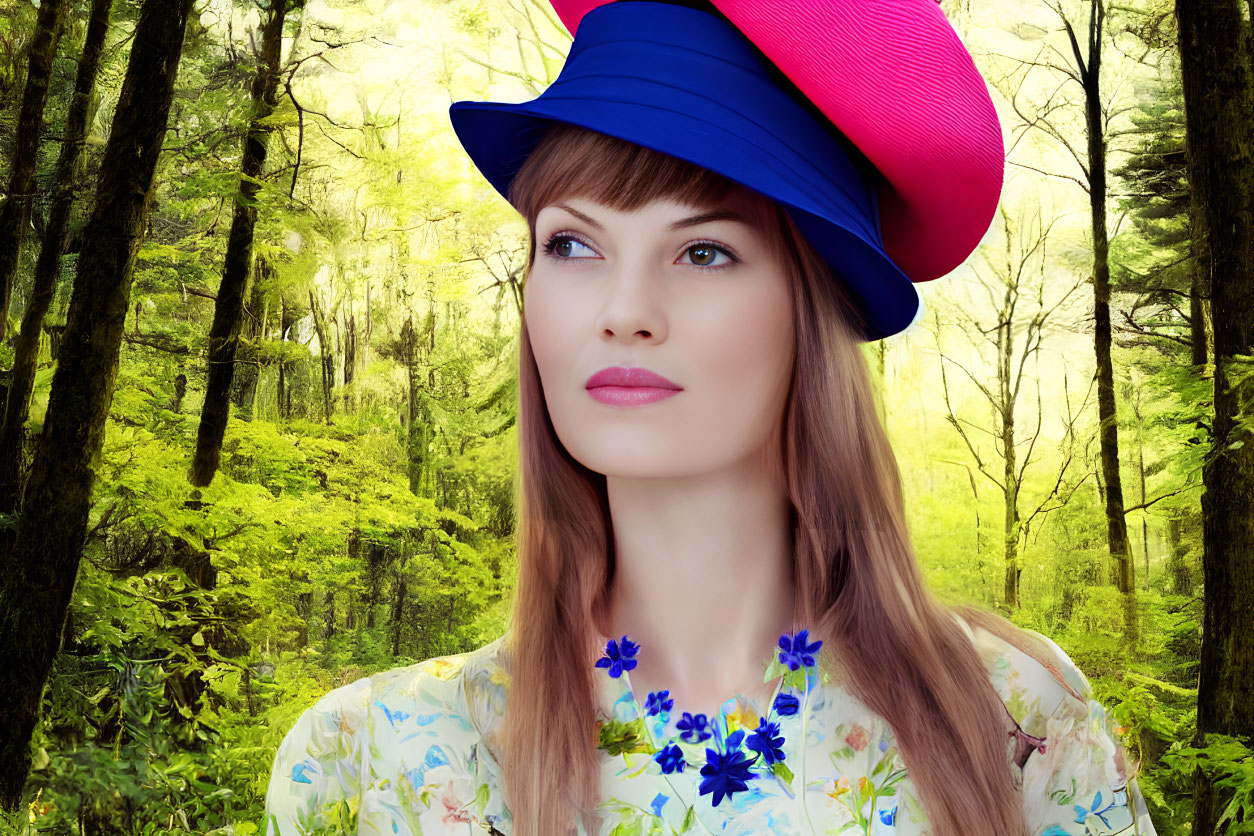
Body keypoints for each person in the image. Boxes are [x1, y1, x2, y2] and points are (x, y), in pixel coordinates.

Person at [264, 1, 1159, 834]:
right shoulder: (370, 763)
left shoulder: (1012, 718)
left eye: (703, 250)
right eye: (572, 244)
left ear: (810, 312)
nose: (624, 310)